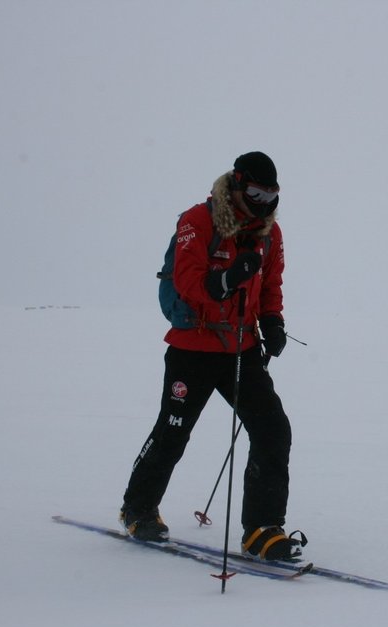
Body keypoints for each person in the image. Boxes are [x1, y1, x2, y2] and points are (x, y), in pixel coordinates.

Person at [120, 151, 302, 561]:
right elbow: (187, 280)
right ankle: (138, 508)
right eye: (256, 192)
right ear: (237, 184)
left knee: (273, 429)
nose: (264, 203)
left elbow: (272, 284)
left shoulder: (271, 234)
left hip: (241, 348)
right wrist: (225, 279)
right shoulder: (197, 221)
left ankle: (262, 529)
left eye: (272, 195)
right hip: (192, 348)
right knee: (173, 431)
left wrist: (272, 322)